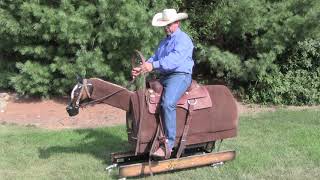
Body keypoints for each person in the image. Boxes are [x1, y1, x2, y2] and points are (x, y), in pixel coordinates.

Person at [131, 9, 194, 158]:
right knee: (146, 97)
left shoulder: (183, 40)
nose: (166, 27)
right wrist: (142, 68)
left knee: (167, 104)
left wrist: (152, 66)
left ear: (177, 23)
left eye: (169, 24)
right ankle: (148, 135)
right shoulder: (164, 41)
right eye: (165, 25)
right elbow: (155, 57)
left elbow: (174, 60)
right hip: (166, 76)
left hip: (180, 75)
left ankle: (169, 144)